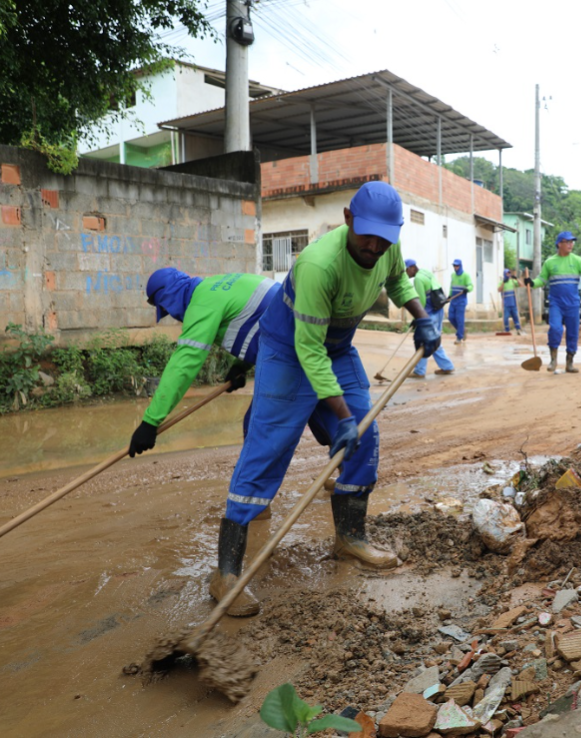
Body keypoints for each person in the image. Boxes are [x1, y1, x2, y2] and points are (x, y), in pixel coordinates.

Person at [213, 182, 441, 616]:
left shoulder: (386, 247)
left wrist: (422, 317)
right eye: (367, 235)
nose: (374, 246)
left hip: (335, 348)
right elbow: (308, 350)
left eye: (384, 238)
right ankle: (225, 573)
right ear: (348, 218)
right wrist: (339, 416)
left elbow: (396, 282)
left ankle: (350, 538)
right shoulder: (319, 263)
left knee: (365, 435)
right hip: (289, 350)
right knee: (267, 450)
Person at [128, 268, 280, 456]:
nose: (174, 316)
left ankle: (250, 485)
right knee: (323, 410)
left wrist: (150, 422)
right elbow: (259, 323)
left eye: (167, 310)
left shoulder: (201, 304)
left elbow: (184, 364)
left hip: (288, 354)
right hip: (304, 341)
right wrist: (241, 366)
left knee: (257, 432)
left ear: (169, 297)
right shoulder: (215, 285)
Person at [524, 231, 581, 373]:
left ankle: (569, 363)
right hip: (556, 303)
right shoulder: (550, 262)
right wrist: (532, 283)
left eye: (572, 242)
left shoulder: (577, 261)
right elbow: (542, 280)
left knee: (572, 333)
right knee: (555, 329)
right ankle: (553, 359)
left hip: (573, 303)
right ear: (559, 244)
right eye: (568, 242)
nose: (571, 244)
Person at [406, 258, 455, 377]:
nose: (406, 274)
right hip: (438, 310)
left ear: (412, 268)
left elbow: (421, 301)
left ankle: (420, 371)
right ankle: (446, 366)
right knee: (433, 339)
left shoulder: (418, 279)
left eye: (406, 270)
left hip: (429, 314)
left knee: (425, 340)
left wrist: (418, 318)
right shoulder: (425, 272)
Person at [448, 258, 472, 344]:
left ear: (460, 266)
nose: (455, 267)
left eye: (457, 265)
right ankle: (462, 330)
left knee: (459, 319)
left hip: (461, 301)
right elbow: (452, 287)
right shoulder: (453, 275)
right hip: (453, 300)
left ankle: (459, 337)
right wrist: (449, 295)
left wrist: (467, 289)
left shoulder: (466, 275)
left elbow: (471, 286)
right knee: (450, 317)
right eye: (454, 265)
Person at [500, 269, 522, 335]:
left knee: (515, 316)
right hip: (506, 304)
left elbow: (521, 285)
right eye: (507, 273)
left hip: (513, 303)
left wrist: (516, 279)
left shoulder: (512, 281)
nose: (508, 275)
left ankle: (518, 329)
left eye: (509, 273)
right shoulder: (502, 282)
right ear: (504, 274)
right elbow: (499, 289)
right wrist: (503, 282)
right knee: (506, 317)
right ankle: (506, 330)